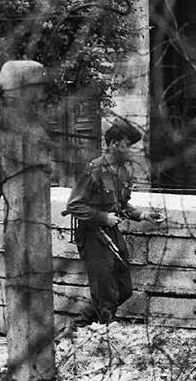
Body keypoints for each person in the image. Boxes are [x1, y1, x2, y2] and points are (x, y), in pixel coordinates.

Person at [61, 117, 165, 335]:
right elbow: (74, 205)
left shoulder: (123, 171)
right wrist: (103, 217)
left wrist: (143, 214)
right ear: (113, 144)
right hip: (93, 236)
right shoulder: (94, 170)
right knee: (106, 293)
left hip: (112, 234)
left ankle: (78, 325)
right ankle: (105, 338)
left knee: (124, 289)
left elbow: (122, 205)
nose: (129, 151)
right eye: (127, 145)